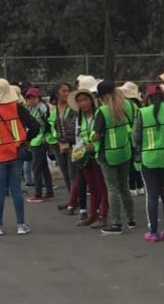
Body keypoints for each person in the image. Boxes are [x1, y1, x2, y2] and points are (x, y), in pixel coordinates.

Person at [0, 79, 39, 236]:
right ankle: (21, 225)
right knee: (16, 190)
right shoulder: (18, 108)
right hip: (16, 154)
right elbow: (35, 126)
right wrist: (25, 139)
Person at [134, 84, 164, 242]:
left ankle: (153, 232)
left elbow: (136, 138)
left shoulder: (142, 112)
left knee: (152, 196)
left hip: (149, 160)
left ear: (148, 98)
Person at [92, 81, 137, 235]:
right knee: (124, 186)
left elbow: (97, 135)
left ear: (102, 96)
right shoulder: (129, 105)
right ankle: (131, 219)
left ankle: (116, 223)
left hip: (108, 153)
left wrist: (90, 138)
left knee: (112, 188)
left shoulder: (103, 111)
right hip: (125, 150)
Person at [69, 81, 108, 228]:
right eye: (80, 101)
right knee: (92, 186)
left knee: (102, 186)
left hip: (98, 154)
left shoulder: (99, 114)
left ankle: (103, 215)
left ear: (91, 101)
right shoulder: (79, 119)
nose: (83, 103)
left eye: (85, 99)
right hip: (84, 156)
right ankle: (92, 215)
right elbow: (78, 136)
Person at [25, 88, 55, 203]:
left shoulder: (42, 108)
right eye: (29, 98)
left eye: (33, 97)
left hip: (41, 140)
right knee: (43, 167)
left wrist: (45, 138)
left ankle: (38, 194)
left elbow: (48, 124)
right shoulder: (30, 108)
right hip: (35, 140)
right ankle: (49, 192)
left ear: (38, 97)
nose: (31, 100)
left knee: (36, 168)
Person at [47, 82, 75, 200]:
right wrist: (53, 140)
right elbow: (49, 127)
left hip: (72, 144)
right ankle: (71, 199)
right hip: (57, 145)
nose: (66, 93)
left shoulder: (73, 108)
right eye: (64, 91)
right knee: (65, 173)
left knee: (73, 173)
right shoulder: (52, 109)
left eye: (68, 91)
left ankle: (76, 199)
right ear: (57, 93)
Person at [120, 81, 145, 197]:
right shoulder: (137, 106)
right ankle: (140, 186)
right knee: (137, 162)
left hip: (127, 137)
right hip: (137, 135)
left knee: (130, 164)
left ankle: (132, 186)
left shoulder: (124, 104)